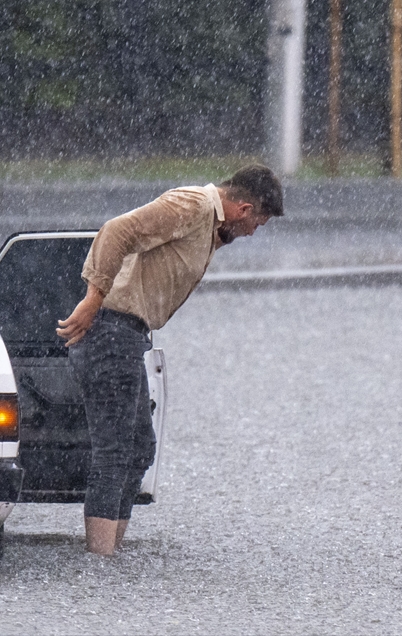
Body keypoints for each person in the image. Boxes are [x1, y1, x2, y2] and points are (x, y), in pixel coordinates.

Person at [56, 164, 284, 556]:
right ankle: (99, 562)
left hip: (128, 336)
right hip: (110, 330)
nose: (253, 233)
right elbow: (117, 231)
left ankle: (113, 554)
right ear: (245, 209)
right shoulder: (193, 205)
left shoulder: (211, 225)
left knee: (140, 447)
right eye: (258, 224)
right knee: (116, 449)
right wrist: (93, 299)